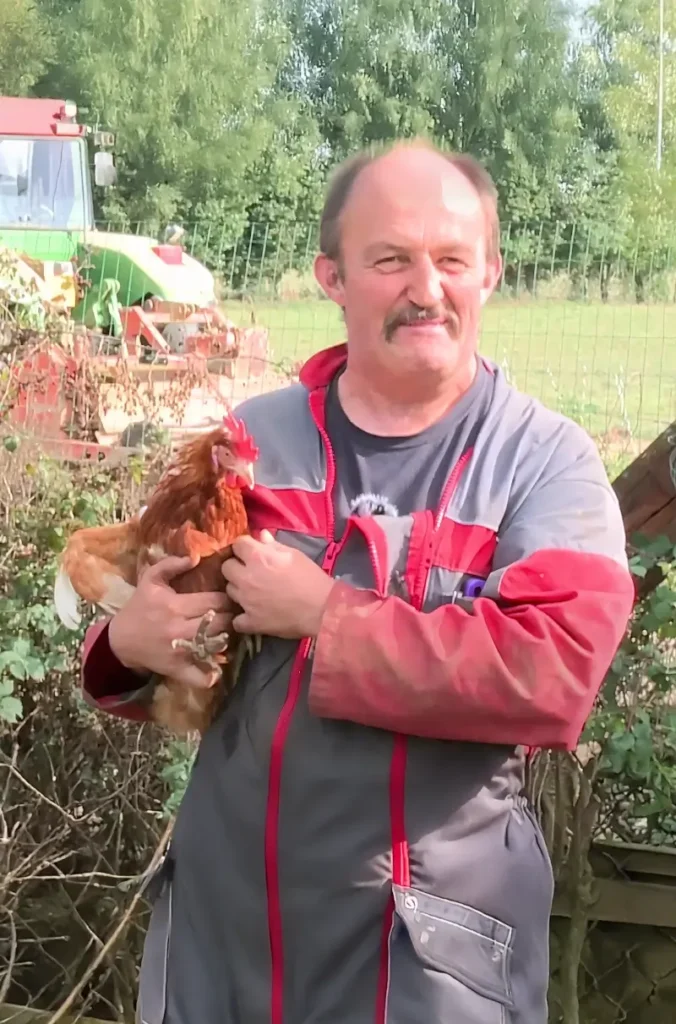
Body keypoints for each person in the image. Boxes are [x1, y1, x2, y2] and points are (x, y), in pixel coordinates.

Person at [81, 139, 636, 1024]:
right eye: (390, 259)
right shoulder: (252, 439)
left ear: (490, 271)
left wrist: (326, 613)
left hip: (425, 964)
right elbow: (160, 615)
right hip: (226, 944)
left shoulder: (544, 463)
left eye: (452, 258)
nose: (427, 287)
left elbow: (552, 674)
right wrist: (128, 645)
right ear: (331, 276)